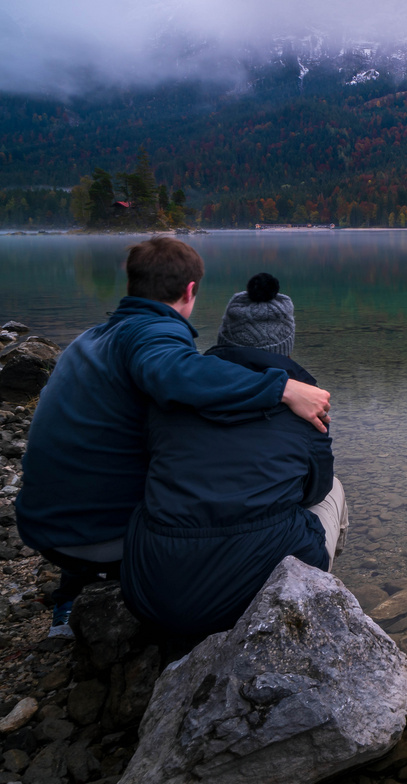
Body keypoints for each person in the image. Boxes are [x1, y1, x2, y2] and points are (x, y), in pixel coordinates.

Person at [15, 239, 332, 637]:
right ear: (189, 291)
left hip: (47, 526)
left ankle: (71, 597)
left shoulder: (94, 338)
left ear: (132, 283)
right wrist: (282, 388)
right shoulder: (153, 333)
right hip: (103, 536)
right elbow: (175, 372)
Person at [120, 272, 349, 637]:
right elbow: (313, 492)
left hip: (152, 593)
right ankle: (315, 605)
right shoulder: (305, 408)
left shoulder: (171, 394)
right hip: (248, 598)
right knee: (332, 490)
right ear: (284, 344)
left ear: (225, 336)